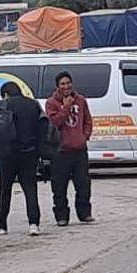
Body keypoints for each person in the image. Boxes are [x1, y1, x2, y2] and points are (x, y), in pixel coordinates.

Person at [0, 81, 44, 237]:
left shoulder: (3, 105)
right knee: (30, 189)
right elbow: (42, 127)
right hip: (30, 153)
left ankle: (1, 224)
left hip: (8, 154)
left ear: (5, 94)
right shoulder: (33, 105)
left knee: (5, 189)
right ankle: (34, 223)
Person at [46, 71, 94, 226]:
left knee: (83, 184)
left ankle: (85, 213)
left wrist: (84, 136)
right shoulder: (51, 103)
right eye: (62, 84)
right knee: (59, 187)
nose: (66, 86)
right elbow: (55, 123)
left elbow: (87, 120)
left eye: (68, 83)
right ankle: (62, 216)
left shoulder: (80, 100)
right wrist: (65, 107)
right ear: (58, 86)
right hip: (61, 151)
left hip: (79, 149)